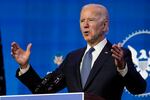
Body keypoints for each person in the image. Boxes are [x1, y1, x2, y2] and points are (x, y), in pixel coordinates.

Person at [11, 3, 146, 100]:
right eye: (82, 21)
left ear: (104, 25)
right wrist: (25, 67)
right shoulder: (72, 58)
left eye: (91, 20)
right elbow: (43, 90)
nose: (85, 25)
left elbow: (139, 88)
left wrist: (123, 68)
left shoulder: (119, 55)